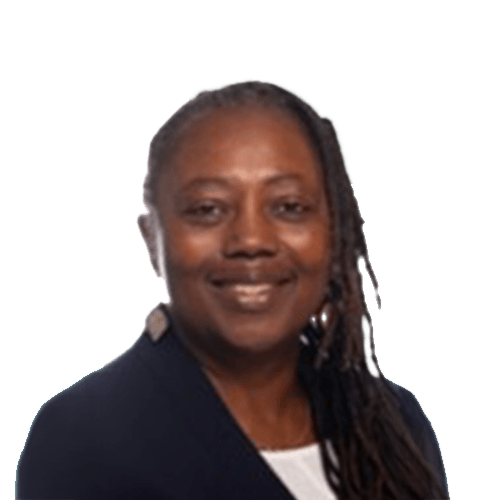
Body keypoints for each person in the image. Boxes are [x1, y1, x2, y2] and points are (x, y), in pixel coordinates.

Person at [15, 79, 449, 499]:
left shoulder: (394, 424)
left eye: (289, 207)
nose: (251, 241)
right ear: (152, 241)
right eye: (208, 209)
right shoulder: (83, 437)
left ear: (334, 234)